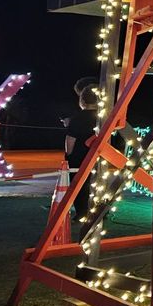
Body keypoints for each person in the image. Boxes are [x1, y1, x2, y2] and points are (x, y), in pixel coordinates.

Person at [64, 85, 99, 222]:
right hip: (99, 155)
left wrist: (69, 154)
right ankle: (99, 211)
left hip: (79, 156)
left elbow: (70, 139)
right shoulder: (103, 117)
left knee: (78, 184)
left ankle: (82, 213)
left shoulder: (77, 118)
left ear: (82, 101)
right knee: (96, 182)